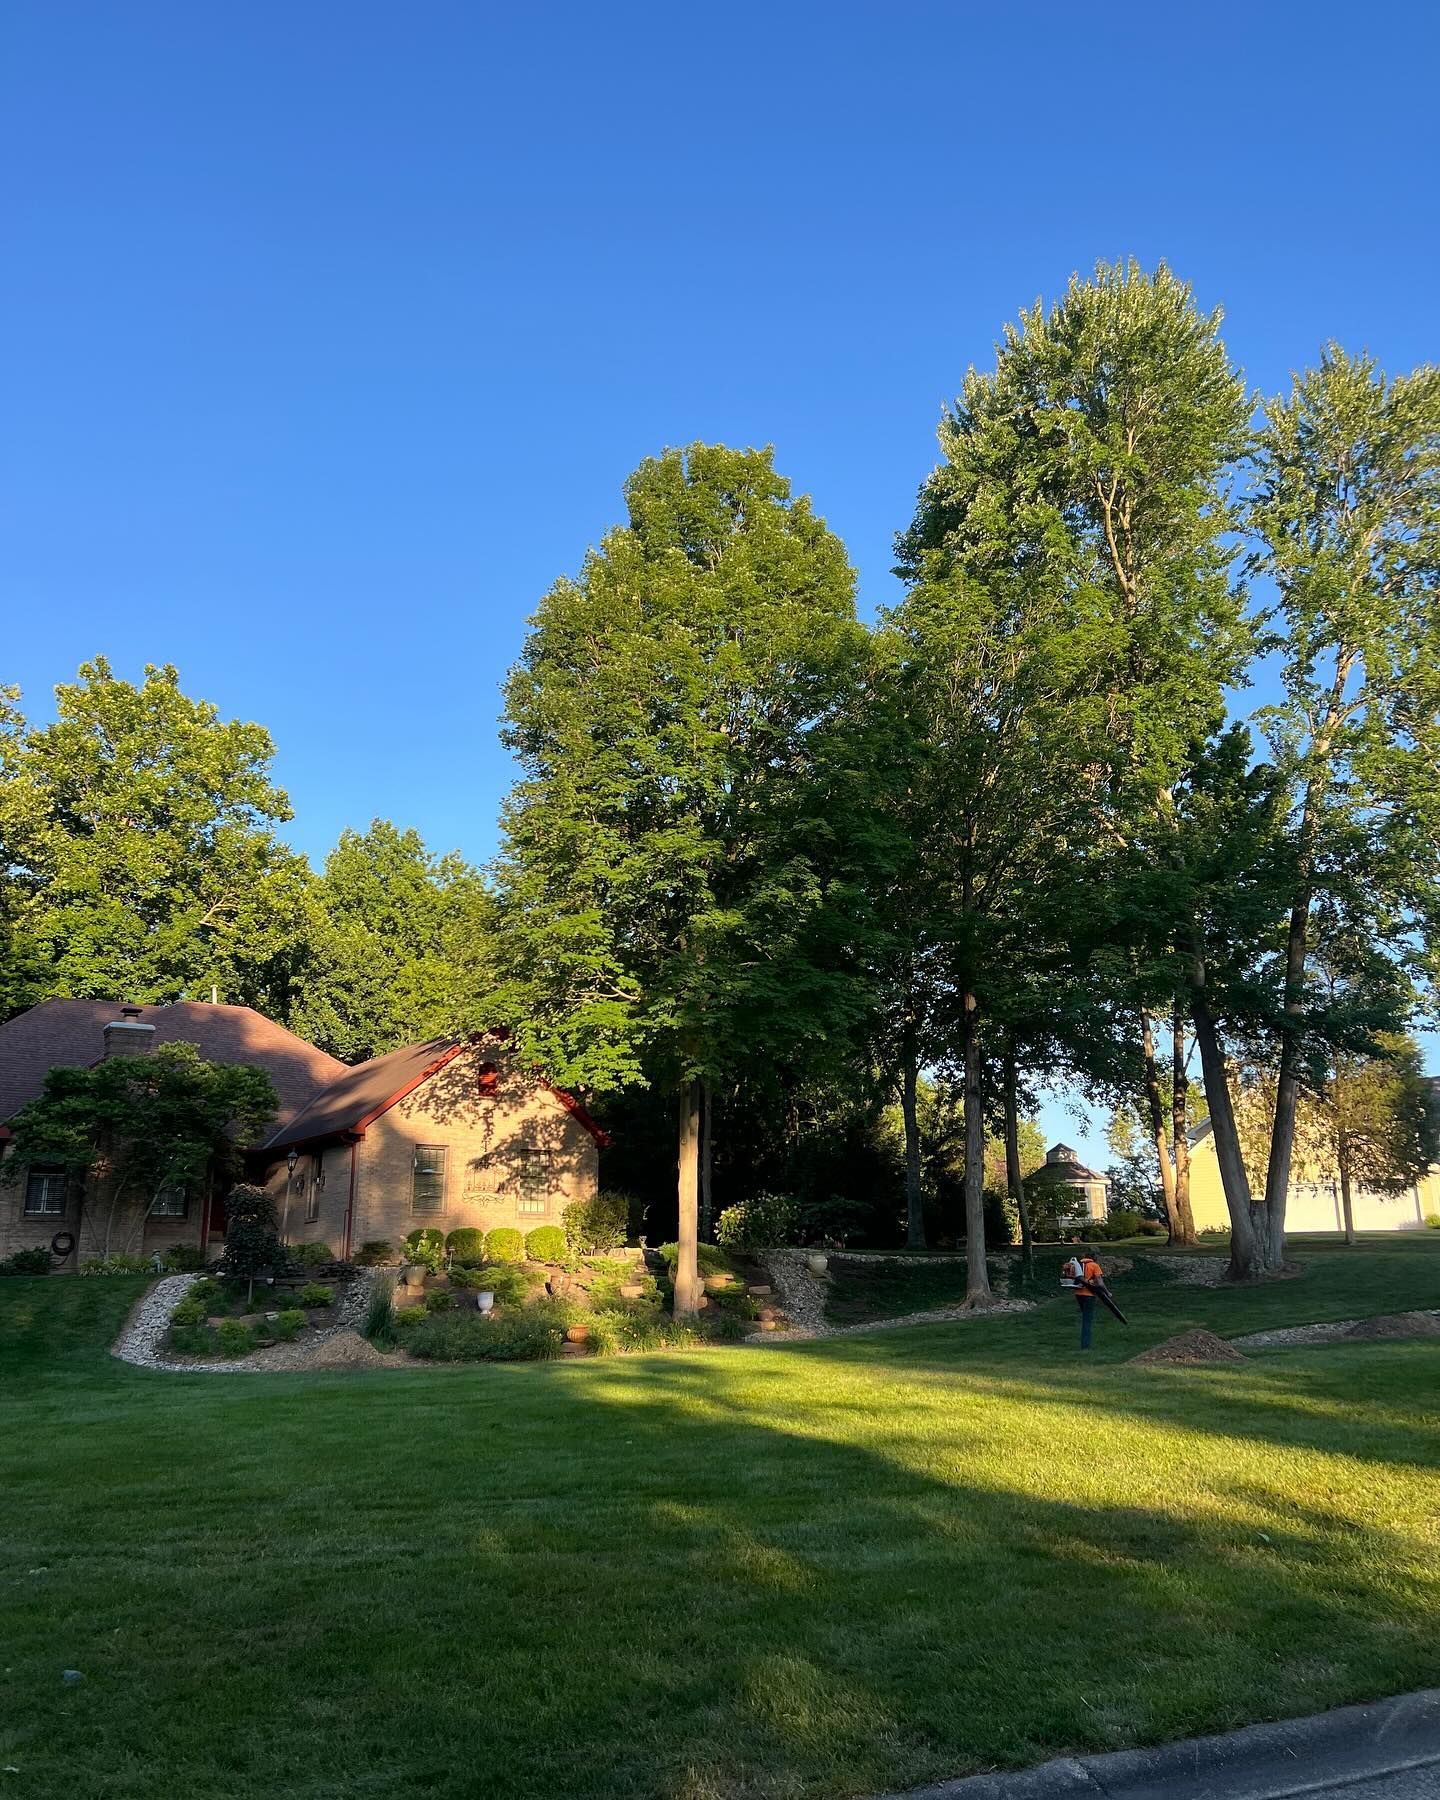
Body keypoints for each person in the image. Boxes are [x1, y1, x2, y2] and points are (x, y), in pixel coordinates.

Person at [1062, 1248, 1107, 1350]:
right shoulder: (1094, 1265)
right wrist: (1107, 1292)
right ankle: (1085, 1347)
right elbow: (1100, 1283)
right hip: (1089, 1295)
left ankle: (1085, 1344)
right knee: (1087, 1321)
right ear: (1095, 1256)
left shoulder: (1077, 1264)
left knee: (1085, 1317)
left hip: (1078, 1293)